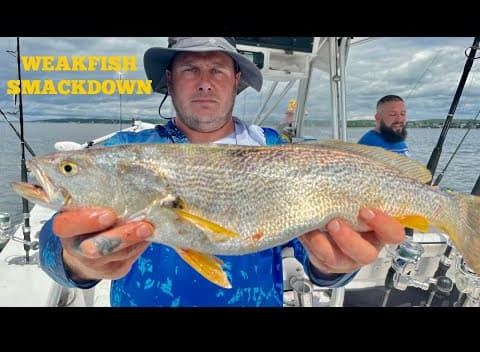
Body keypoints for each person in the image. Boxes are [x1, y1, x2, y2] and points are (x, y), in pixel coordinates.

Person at [39, 37, 405, 307]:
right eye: (190, 69)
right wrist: (75, 260)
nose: (204, 81)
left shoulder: (277, 149)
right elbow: (53, 244)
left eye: (217, 69)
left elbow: (317, 257)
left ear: (236, 81)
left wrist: (334, 267)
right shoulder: (124, 152)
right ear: (169, 79)